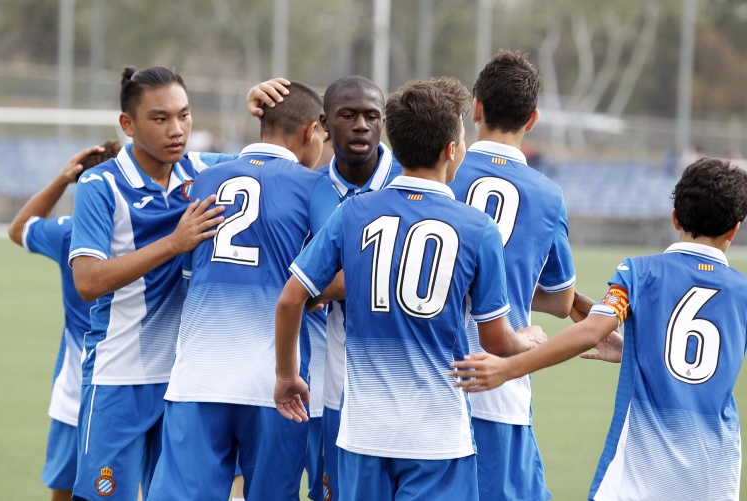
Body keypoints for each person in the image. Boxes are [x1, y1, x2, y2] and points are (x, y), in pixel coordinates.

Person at [274, 77, 546, 501]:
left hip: (363, 434)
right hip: (438, 438)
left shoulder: (353, 212)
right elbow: (496, 341)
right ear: (451, 150)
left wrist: (287, 376)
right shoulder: (478, 229)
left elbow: (291, 298)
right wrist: (528, 340)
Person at [451, 157, 747, 501]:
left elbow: (591, 332)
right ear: (734, 229)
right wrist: (641, 351)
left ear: (675, 218)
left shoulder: (639, 274)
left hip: (638, 473)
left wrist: (508, 368)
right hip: (715, 473)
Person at [147, 81, 339, 501]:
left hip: (198, 375)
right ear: (311, 131)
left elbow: (190, 273)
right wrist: (314, 290)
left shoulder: (205, 179)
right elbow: (340, 271)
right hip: (275, 384)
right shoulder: (315, 186)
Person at [69, 66, 230, 501]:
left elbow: (277, 160)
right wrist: (174, 243)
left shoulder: (205, 170)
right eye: (160, 118)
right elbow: (88, 281)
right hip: (119, 376)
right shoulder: (101, 184)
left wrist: (264, 107)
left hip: (185, 380)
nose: (177, 130)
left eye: (184, 115)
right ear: (128, 124)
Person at [248, 75, 402, 501]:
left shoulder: (410, 183)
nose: (361, 125)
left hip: (409, 374)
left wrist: (321, 286)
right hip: (334, 380)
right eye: (347, 115)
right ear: (323, 125)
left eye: (371, 116)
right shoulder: (309, 187)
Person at [447, 50, 576, 501]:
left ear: (476, 109)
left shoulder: (440, 167)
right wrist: (509, 289)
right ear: (533, 119)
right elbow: (562, 301)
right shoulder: (548, 195)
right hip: (500, 388)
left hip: (427, 380)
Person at [8, 142, 118, 501]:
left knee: (66, 489)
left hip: (77, 390)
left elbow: (19, 228)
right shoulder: (154, 232)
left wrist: (61, 179)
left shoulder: (69, 233)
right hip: (134, 385)